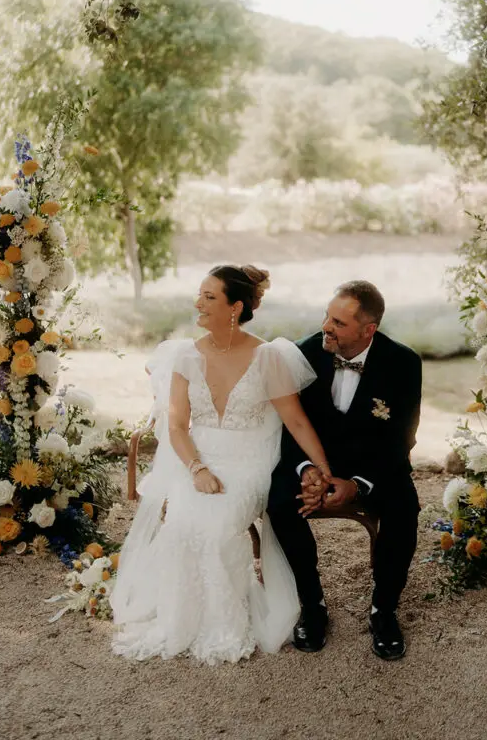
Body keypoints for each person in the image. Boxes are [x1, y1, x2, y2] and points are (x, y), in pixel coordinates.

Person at [111, 264, 331, 665]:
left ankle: (224, 622)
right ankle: (181, 617)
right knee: (179, 526)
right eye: (200, 295)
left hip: (250, 460)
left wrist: (324, 468)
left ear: (236, 307)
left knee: (215, 530)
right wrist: (197, 470)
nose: (198, 303)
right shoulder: (184, 355)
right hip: (197, 458)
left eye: (209, 297)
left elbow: (296, 420)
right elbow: (177, 426)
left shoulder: (269, 357)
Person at [267, 280, 421, 660]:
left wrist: (357, 484)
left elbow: (402, 438)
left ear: (369, 330)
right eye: (326, 316)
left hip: (375, 466)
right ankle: (312, 604)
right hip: (313, 460)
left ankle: (383, 610)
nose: (326, 326)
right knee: (278, 503)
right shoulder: (302, 353)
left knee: (405, 509)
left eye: (338, 322)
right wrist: (307, 471)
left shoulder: (403, 363)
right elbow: (286, 427)